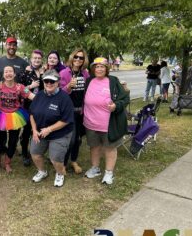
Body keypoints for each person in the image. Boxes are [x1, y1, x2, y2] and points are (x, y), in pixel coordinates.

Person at [83, 57, 129, 185]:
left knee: (109, 148)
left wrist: (116, 106)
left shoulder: (113, 81)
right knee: (94, 146)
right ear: (93, 69)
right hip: (90, 123)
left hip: (108, 124)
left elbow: (125, 99)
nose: (99, 69)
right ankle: (95, 168)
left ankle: (109, 173)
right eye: (97, 67)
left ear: (107, 69)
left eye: (102, 66)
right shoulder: (89, 80)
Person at [29, 69, 74, 187]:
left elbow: (66, 120)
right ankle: (42, 172)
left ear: (58, 82)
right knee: (35, 153)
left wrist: (49, 129)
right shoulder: (39, 95)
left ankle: (60, 174)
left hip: (60, 133)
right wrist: (34, 130)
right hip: (40, 132)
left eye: (52, 81)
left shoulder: (64, 98)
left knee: (55, 158)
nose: (49, 83)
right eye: (46, 81)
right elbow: (32, 114)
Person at [0, 65, 35, 173]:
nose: (8, 73)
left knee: (13, 142)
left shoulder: (21, 87)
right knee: (0, 141)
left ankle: (7, 163)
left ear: (14, 74)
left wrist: (46, 99)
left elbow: (32, 96)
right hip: (0, 115)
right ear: (3, 74)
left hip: (15, 116)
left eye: (10, 71)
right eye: (6, 71)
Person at [59, 48, 90, 174]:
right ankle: (63, 164)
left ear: (84, 60)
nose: (78, 59)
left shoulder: (85, 74)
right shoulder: (64, 73)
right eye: (76, 57)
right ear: (72, 58)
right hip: (68, 112)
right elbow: (59, 93)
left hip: (80, 112)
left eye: (81, 58)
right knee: (70, 139)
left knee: (77, 139)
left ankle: (74, 161)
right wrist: (68, 87)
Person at [18, 49, 45, 166]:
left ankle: (37, 152)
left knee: (39, 130)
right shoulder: (25, 73)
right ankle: (25, 154)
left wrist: (43, 75)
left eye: (39, 58)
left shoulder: (45, 72)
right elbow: (19, 89)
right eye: (35, 58)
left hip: (42, 106)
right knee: (27, 131)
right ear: (31, 59)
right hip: (28, 107)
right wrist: (30, 86)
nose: (37, 60)